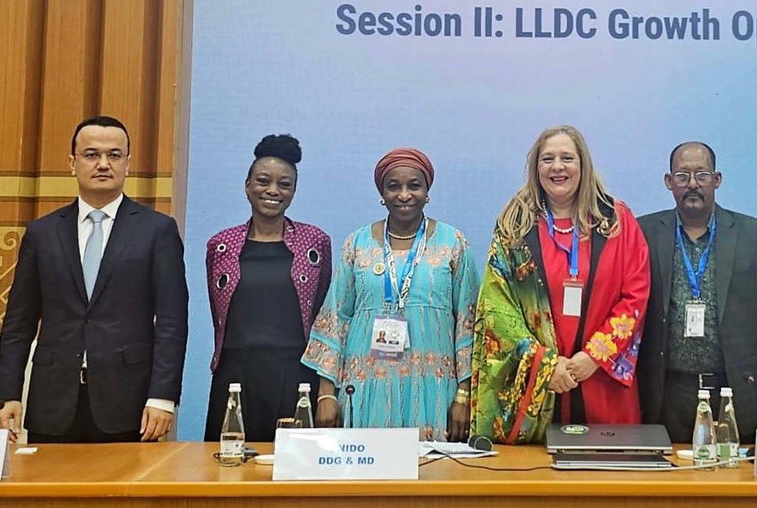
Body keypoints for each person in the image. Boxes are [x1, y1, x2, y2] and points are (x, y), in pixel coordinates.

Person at [0, 115, 189, 443]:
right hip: (53, 402)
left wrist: (162, 397)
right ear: (72, 163)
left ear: (128, 164)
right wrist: (7, 393)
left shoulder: (157, 230)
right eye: (91, 154)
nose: (103, 164)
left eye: (114, 155)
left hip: (130, 404)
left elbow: (172, 321)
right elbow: (18, 322)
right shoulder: (42, 233)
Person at [471, 125, 650, 444]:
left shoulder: (616, 221)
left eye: (567, 158)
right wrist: (545, 366)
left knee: (606, 470)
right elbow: (497, 307)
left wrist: (594, 357)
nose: (557, 167)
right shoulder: (514, 227)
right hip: (536, 391)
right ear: (535, 168)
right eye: (547, 159)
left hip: (601, 382)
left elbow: (635, 295)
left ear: (583, 164)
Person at [302, 148, 479, 441]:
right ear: (382, 193)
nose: (404, 195)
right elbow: (334, 319)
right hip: (367, 385)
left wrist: (463, 394)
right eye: (394, 186)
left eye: (414, 186)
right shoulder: (357, 244)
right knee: (369, 465)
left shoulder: (453, 243)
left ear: (427, 191)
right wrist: (326, 394)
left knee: (431, 468)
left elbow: (469, 323)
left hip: (432, 388)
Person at [637, 141, 757, 443]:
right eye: (682, 175)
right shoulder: (643, 233)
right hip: (666, 393)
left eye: (702, 174)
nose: (692, 184)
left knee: (737, 472)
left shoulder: (753, 235)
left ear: (717, 179)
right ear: (669, 182)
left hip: (738, 390)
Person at [203, 134, 332, 442]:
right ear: (247, 186)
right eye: (263, 181)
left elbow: (324, 313)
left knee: (296, 465)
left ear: (294, 191)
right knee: (227, 463)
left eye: (284, 184)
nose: (273, 190)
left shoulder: (315, 242)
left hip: (297, 376)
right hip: (234, 376)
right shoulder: (221, 245)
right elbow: (218, 313)